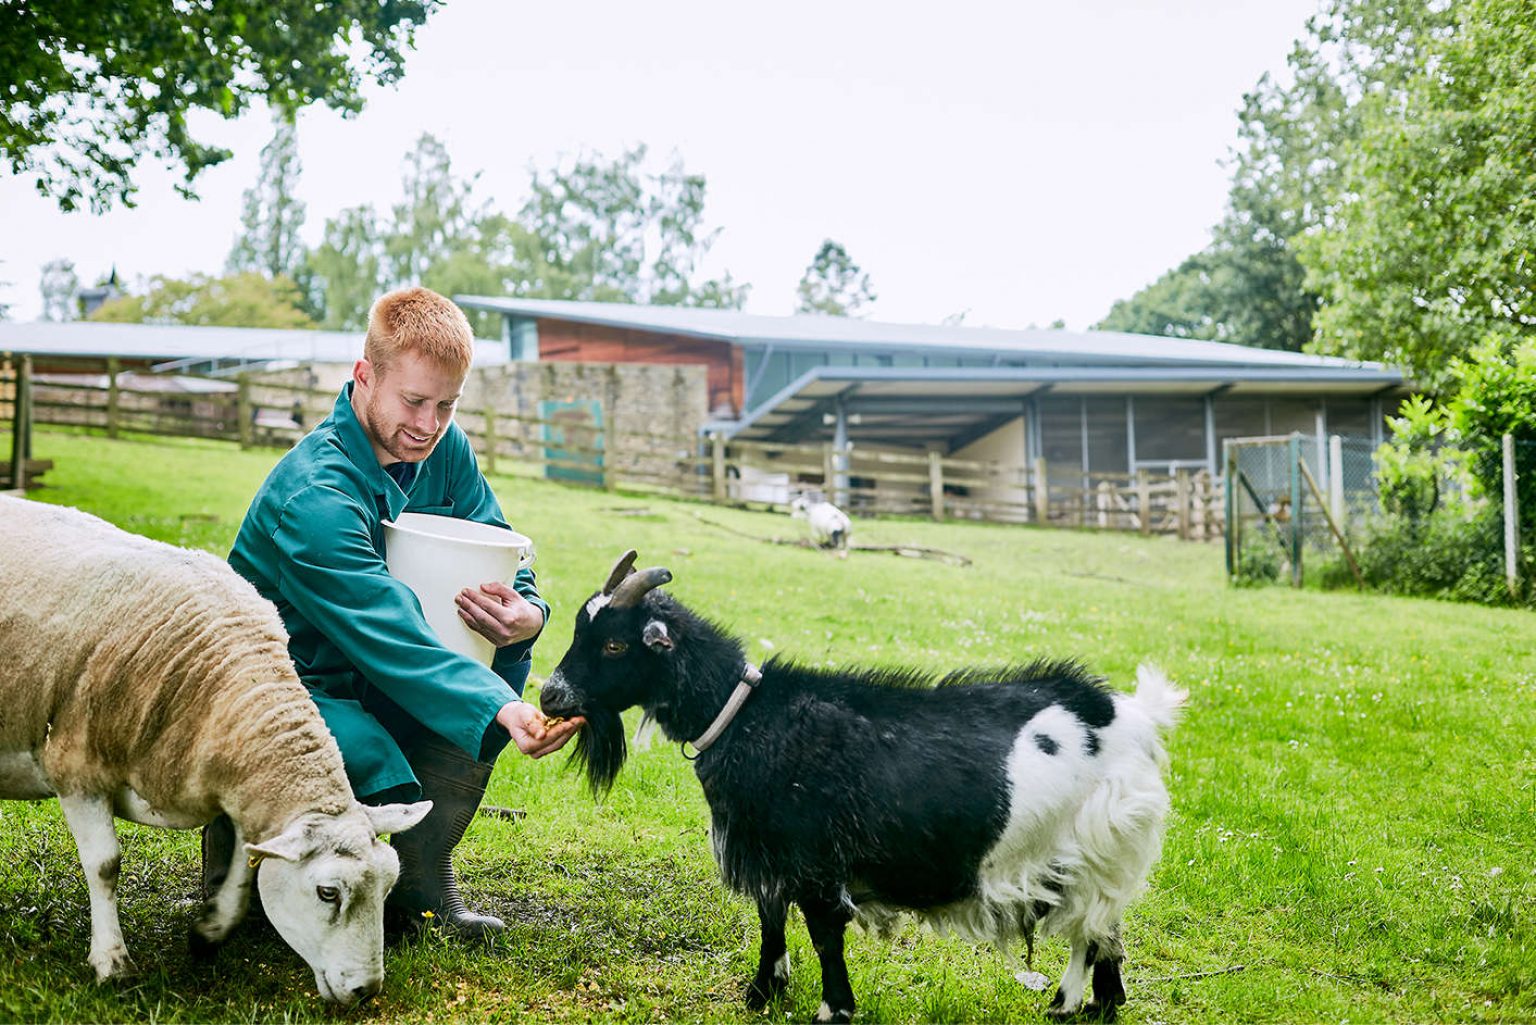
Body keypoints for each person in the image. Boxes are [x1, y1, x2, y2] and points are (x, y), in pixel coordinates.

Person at [215, 286, 582, 940]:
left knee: (494, 643)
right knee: (378, 755)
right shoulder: (315, 494)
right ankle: (240, 886)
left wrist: (530, 610)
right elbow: (388, 628)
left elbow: (499, 542)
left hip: (368, 669)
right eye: (414, 400)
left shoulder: (443, 447)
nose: (429, 423)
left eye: (446, 404)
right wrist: (500, 706)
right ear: (365, 376)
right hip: (281, 687)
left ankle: (420, 890)